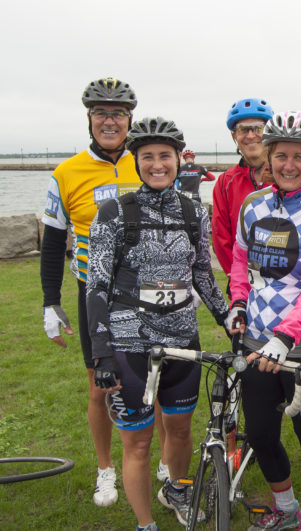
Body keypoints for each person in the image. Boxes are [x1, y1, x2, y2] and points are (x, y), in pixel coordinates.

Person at [86, 116, 229, 531]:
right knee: (138, 442)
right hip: (130, 345)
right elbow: (96, 284)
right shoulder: (112, 212)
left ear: (177, 159)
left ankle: (178, 491)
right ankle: (145, 524)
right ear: (136, 161)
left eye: (164, 156)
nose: (156, 165)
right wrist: (100, 352)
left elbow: (202, 273)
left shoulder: (193, 211)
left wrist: (228, 318)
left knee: (180, 433)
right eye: (146, 157)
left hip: (183, 338)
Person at [224, 111, 301, 531]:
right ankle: (287, 507)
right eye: (281, 156)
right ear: (269, 158)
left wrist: (285, 334)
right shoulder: (252, 204)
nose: (289, 165)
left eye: (299, 156)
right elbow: (240, 261)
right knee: (259, 432)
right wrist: (238, 302)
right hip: (258, 338)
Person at [40, 76, 141, 507]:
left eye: (118, 112)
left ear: (129, 119)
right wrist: (50, 302)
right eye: (101, 112)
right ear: (89, 118)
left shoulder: (150, 160)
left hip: (145, 291)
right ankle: (106, 470)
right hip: (92, 292)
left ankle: (152, 461)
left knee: (148, 377)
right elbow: (50, 244)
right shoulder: (65, 173)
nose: (110, 120)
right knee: (100, 387)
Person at [212, 98, 275, 296]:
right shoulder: (225, 182)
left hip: (287, 281)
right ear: (234, 136)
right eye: (243, 130)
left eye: (257, 128)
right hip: (243, 285)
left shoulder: (286, 175)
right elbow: (221, 238)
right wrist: (237, 278)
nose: (251, 136)